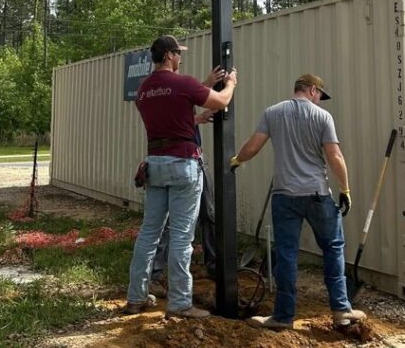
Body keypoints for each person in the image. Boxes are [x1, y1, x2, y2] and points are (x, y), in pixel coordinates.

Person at [231, 73, 365, 331]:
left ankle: (283, 317)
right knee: (333, 248)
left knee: (286, 255)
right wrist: (345, 189)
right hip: (316, 194)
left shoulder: (273, 112)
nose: (320, 102)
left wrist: (237, 160)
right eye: (320, 96)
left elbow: (254, 146)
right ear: (312, 90)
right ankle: (341, 311)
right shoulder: (322, 117)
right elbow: (335, 156)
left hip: (284, 196)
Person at [124, 35, 237, 320]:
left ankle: (136, 297)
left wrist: (194, 117)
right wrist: (231, 83)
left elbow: (170, 112)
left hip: (155, 163)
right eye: (178, 53)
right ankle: (180, 303)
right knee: (182, 238)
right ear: (170, 56)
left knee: (149, 233)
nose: (181, 58)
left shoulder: (144, 90)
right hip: (183, 164)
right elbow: (221, 101)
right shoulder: (183, 83)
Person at [150, 109, 216, 292]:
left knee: (209, 213)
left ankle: (213, 264)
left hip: (198, 160)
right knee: (171, 221)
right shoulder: (165, 99)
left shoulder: (185, 94)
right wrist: (198, 118)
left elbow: (202, 95)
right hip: (177, 163)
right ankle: (155, 275)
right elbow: (173, 126)